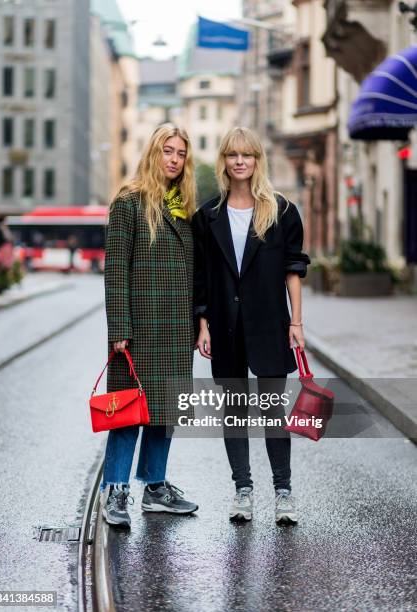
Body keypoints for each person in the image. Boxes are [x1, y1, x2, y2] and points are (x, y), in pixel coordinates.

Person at [192, 127, 310, 525]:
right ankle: (243, 490)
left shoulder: (282, 211)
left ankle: (283, 493)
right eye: (232, 155)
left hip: (270, 323)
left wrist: (296, 320)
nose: (240, 161)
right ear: (224, 161)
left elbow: (294, 269)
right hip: (225, 324)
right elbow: (202, 275)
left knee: (273, 412)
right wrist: (203, 323)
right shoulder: (206, 217)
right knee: (235, 411)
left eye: (248, 155)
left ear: (258, 160)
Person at [101, 123, 198, 528]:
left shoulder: (186, 207)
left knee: (164, 412)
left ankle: (155, 487)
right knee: (126, 413)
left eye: (180, 153)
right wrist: (119, 326)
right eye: (167, 151)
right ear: (153, 153)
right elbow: (116, 269)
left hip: (176, 329)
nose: (173, 159)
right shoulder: (129, 201)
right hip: (137, 330)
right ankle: (116, 490)